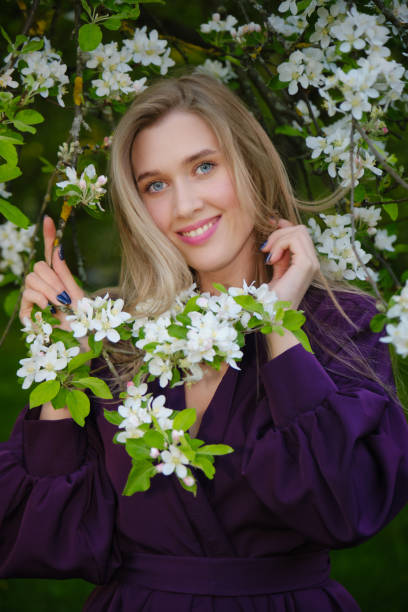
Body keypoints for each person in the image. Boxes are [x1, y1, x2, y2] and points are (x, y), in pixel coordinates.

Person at [1, 72, 407, 611]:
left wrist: (277, 320)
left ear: (251, 166)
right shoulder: (120, 335)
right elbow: (48, 539)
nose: (186, 204)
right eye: (156, 185)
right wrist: (65, 369)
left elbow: (345, 503)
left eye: (204, 167)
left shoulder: (340, 320)